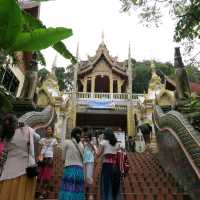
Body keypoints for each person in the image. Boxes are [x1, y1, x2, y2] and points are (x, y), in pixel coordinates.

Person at [0, 113, 40, 200]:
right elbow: (38, 137)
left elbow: (5, 151)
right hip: (25, 170)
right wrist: (26, 127)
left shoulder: (6, 136)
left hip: (8, 171)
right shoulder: (27, 130)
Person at [59, 127, 85, 200]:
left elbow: (63, 157)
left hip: (70, 168)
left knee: (68, 188)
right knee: (77, 189)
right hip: (80, 169)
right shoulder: (81, 144)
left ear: (72, 134)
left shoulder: (67, 142)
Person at [98, 128, 121, 200]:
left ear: (105, 134)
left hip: (107, 166)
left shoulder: (103, 142)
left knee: (106, 184)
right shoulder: (117, 143)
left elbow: (98, 154)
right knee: (115, 184)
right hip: (116, 166)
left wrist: (94, 147)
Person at [38, 126, 58, 199]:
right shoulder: (42, 139)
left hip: (50, 158)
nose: (48, 130)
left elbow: (55, 151)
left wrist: (53, 159)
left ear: (52, 131)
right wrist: (39, 157)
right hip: (42, 158)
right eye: (47, 129)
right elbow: (39, 149)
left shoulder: (54, 140)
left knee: (46, 176)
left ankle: (43, 192)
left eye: (50, 129)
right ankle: (38, 191)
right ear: (45, 131)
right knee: (40, 176)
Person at [82, 127, 96, 200]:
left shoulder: (93, 141)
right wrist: (83, 142)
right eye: (85, 136)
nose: (86, 138)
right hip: (83, 161)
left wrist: (90, 143)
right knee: (83, 178)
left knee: (89, 177)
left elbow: (96, 150)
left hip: (90, 160)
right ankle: (84, 193)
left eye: (87, 137)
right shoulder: (82, 141)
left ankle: (91, 194)